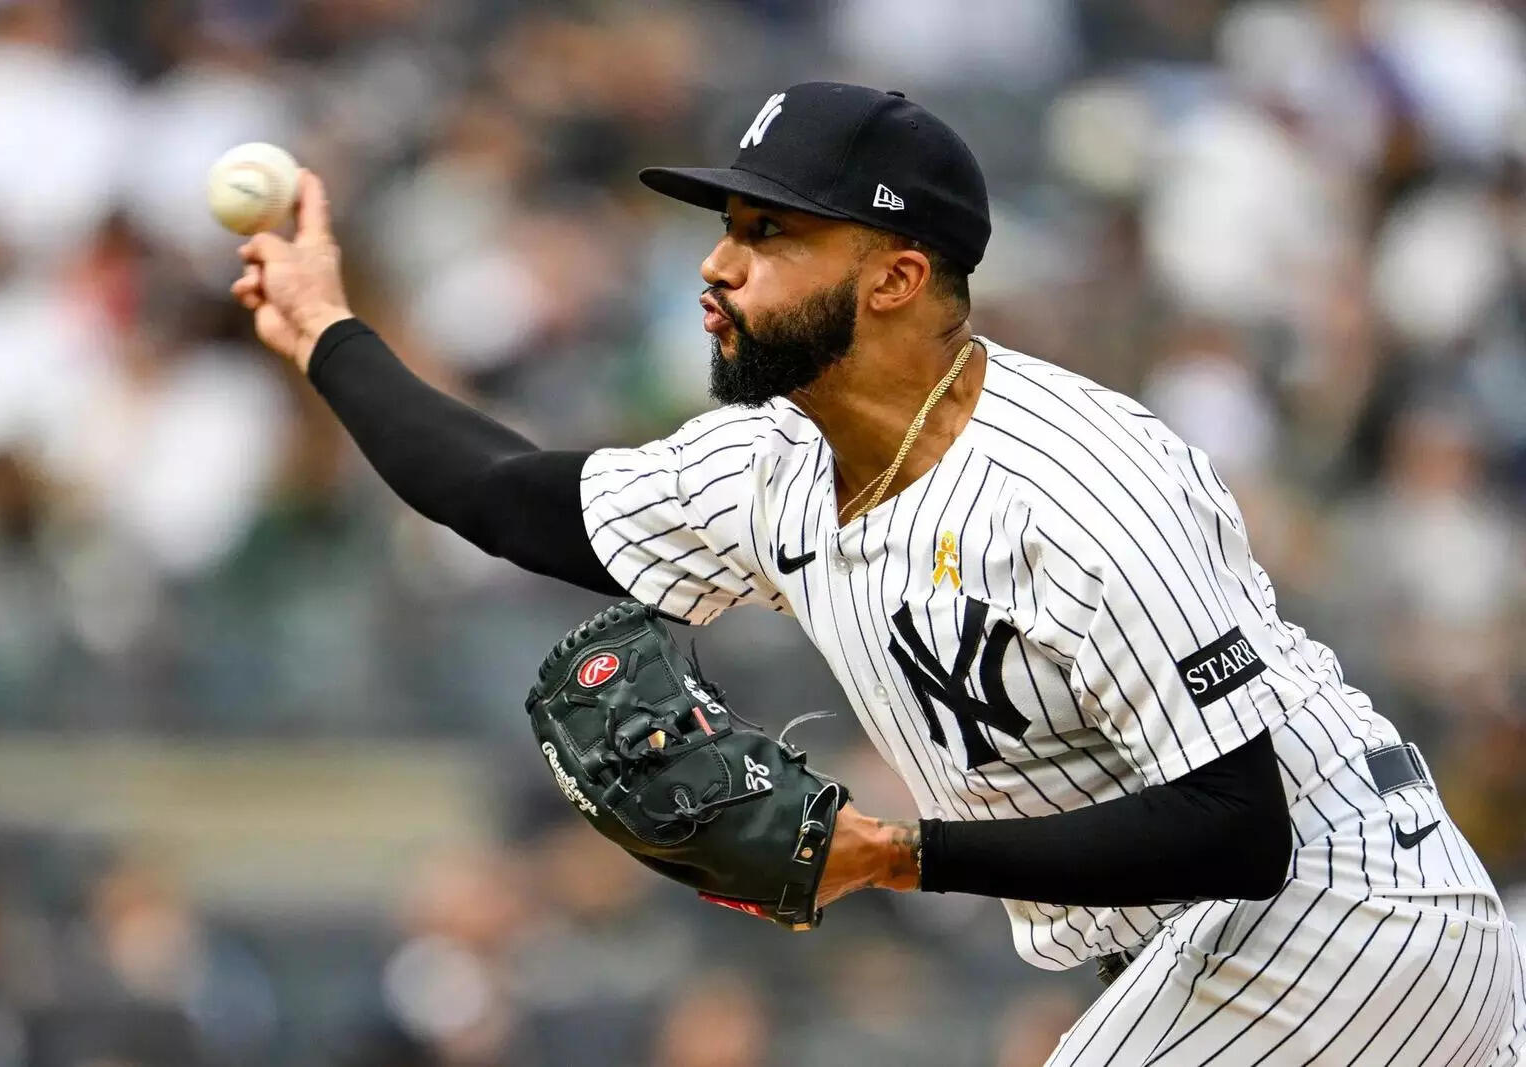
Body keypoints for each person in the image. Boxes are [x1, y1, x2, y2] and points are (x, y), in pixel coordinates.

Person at [231, 82, 1525, 1065]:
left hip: (1343, 916)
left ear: (900, 276)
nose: (717, 264)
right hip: (1236, 951)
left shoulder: (1081, 487)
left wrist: (890, 855)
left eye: (771, 233)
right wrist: (328, 334)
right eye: (727, 225)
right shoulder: (771, 471)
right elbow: (506, 498)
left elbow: (1239, 827)